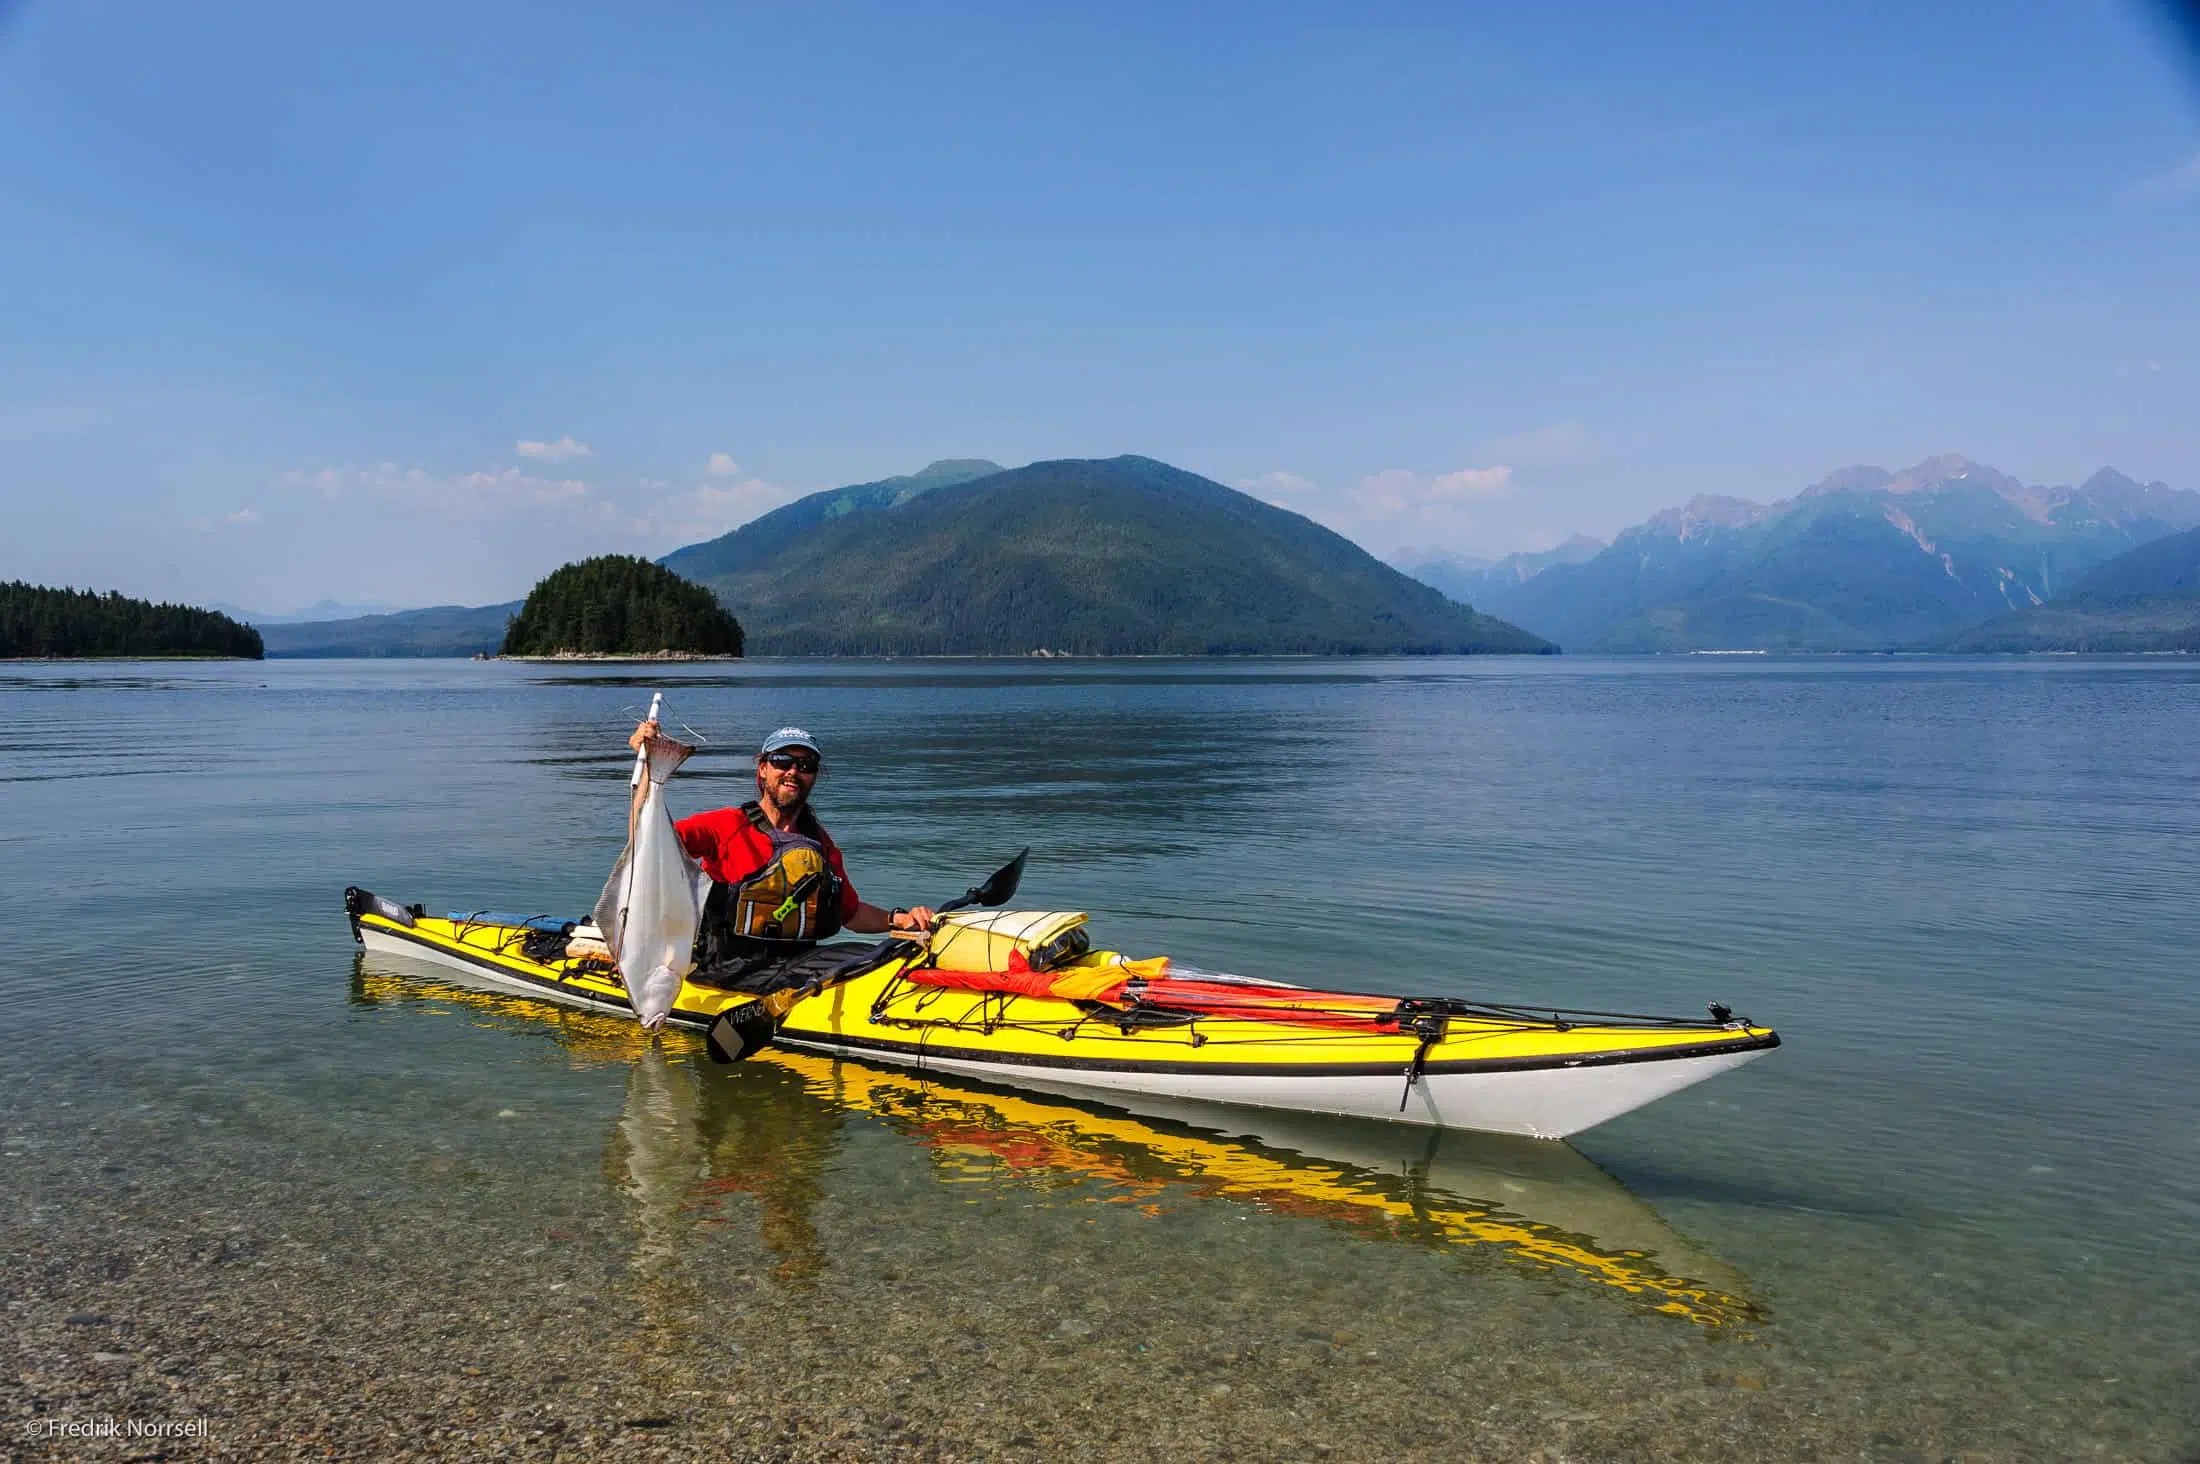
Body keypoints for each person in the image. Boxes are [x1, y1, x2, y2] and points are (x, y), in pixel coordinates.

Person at [625, 720, 934, 995]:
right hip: (729, 968)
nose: (793, 772)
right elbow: (645, 844)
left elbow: (849, 914)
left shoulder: (818, 845)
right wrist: (647, 769)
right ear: (763, 769)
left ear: (814, 776)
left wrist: (899, 918)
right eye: (782, 761)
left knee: (880, 952)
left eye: (806, 764)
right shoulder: (724, 825)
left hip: (798, 963)